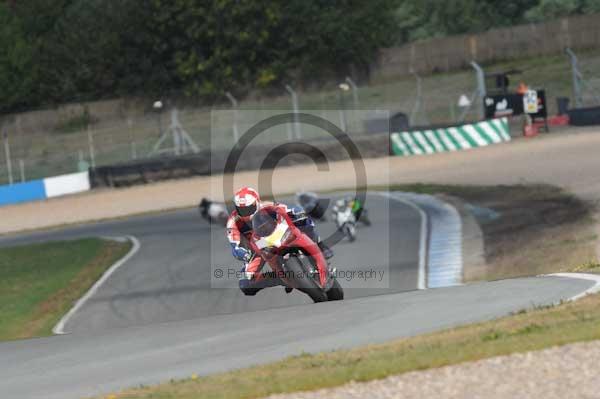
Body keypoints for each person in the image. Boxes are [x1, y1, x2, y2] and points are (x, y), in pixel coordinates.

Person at [226, 186, 333, 296]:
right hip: (258, 248)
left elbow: (286, 209)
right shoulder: (232, 221)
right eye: (241, 210)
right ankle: (281, 279)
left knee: (303, 221)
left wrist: (297, 213)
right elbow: (235, 244)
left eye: (248, 209)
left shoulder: (267, 206)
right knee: (246, 284)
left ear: (257, 202)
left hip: (279, 233)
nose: (245, 214)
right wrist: (244, 254)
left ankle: (320, 244)